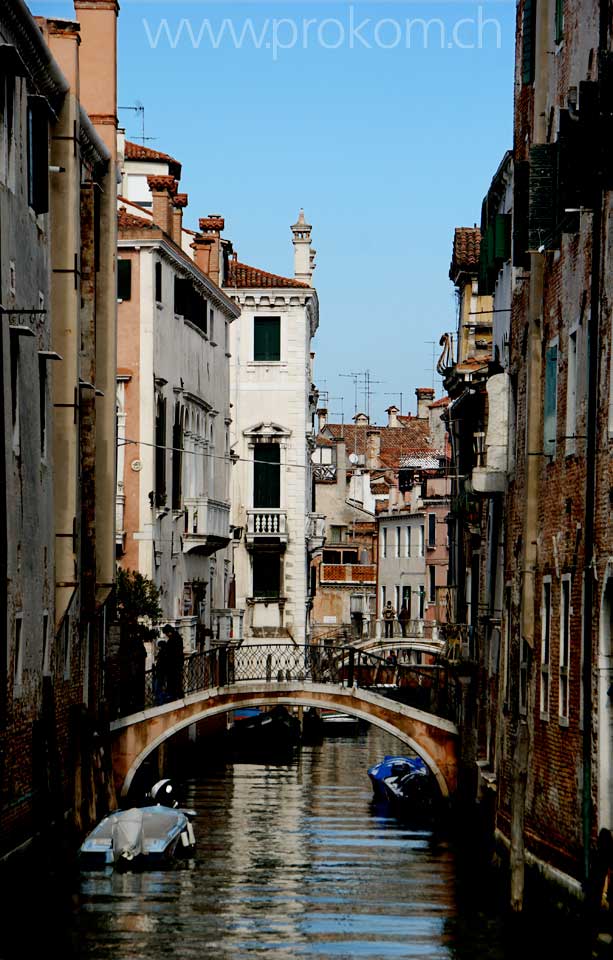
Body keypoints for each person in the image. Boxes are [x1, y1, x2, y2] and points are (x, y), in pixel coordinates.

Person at [162, 624, 184, 700]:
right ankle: (177, 695)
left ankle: (174, 696)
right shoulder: (177, 637)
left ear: (168, 632)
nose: (166, 635)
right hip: (177, 664)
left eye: (166, 634)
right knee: (177, 682)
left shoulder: (173, 639)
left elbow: (171, 653)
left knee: (174, 681)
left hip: (174, 665)